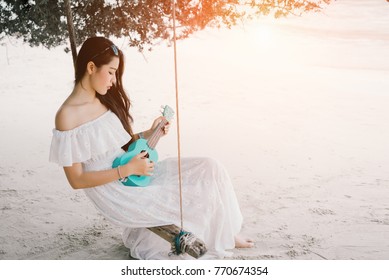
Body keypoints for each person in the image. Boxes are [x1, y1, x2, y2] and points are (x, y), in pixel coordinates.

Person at [49, 37, 253, 259]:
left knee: (209, 167)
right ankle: (219, 236)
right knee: (186, 191)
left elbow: (121, 146)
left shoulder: (102, 100)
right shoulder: (66, 117)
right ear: (91, 67)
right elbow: (77, 180)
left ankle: (225, 233)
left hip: (135, 172)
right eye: (111, 72)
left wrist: (149, 133)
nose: (114, 80)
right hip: (118, 191)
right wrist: (125, 171)